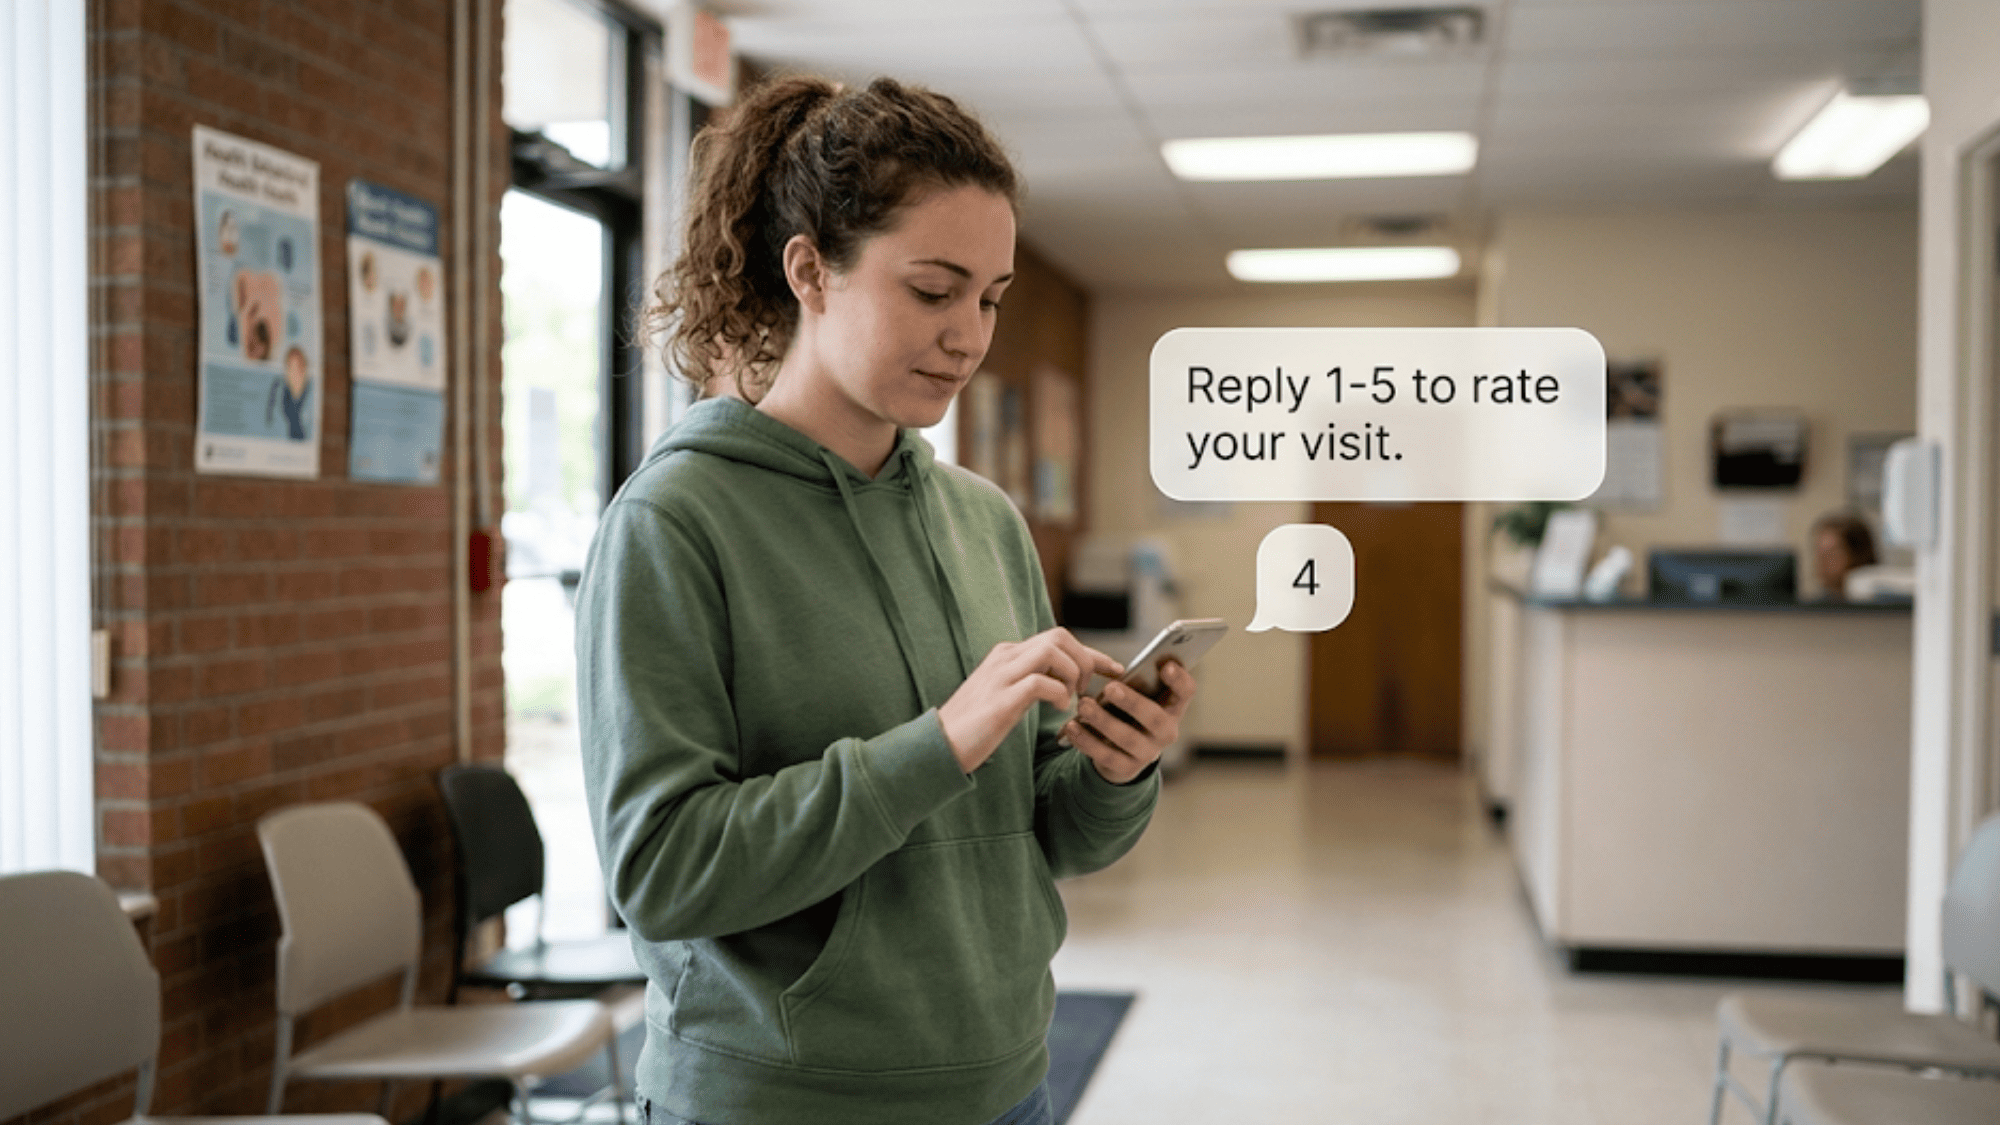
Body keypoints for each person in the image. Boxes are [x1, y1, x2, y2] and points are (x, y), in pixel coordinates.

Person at [574, 75, 1196, 1125]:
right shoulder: (673, 523)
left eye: (989, 299)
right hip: (779, 1103)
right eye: (933, 290)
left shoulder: (984, 521)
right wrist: (939, 743)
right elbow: (664, 871)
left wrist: (1112, 769)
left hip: (1005, 1086)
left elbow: (1042, 835)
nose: (969, 336)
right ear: (809, 271)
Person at [1810, 510, 1877, 598]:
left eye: (1831, 554)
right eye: (1820, 552)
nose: (1822, 561)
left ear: (1857, 555)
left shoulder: (1879, 601)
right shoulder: (1817, 603)